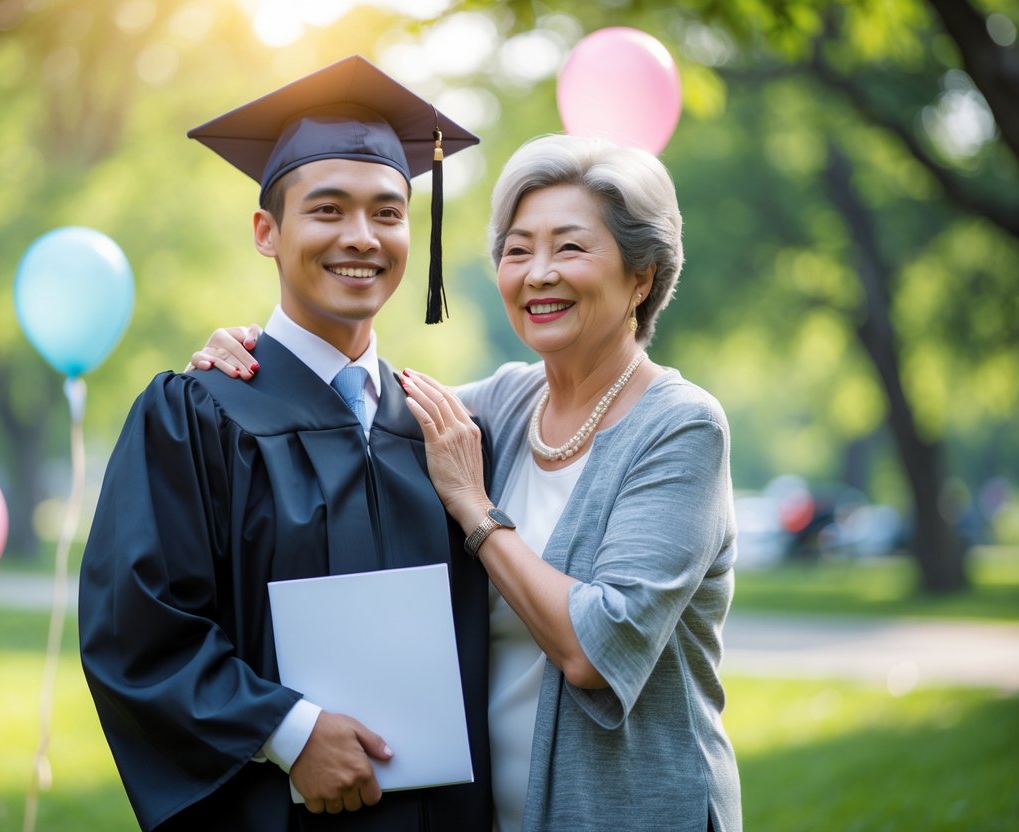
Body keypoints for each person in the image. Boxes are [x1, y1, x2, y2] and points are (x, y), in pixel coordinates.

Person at [192, 134, 742, 831]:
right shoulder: (506, 404)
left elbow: (595, 648)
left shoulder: (680, 427)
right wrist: (254, 356)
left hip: (626, 811)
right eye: (517, 250)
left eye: (569, 248)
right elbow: (356, 400)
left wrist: (473, 509)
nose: (538, 273)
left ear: (642, 276)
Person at [79, 56, 492, 832]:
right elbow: (137, 630)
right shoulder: (195, 415)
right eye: (328, 210)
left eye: (388, 212)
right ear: (267, 231)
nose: (361, 238)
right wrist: (287, 733)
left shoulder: (444, 429)